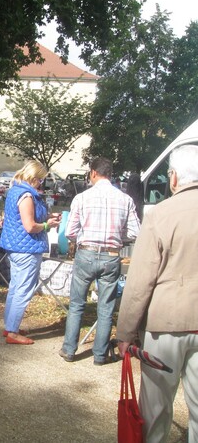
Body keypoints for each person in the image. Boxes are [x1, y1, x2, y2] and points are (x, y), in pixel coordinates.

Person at [116, 145, 198, 442]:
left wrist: (125, 332)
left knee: (155, 407)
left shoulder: (161, 213)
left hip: (166, 323)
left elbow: (140, 281)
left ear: (174, 178)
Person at [59, 157, 140, 364]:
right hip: (111, 256)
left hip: (86, 253)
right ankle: (100, 355)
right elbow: (135, 232)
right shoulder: (125, 199)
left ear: (93, 173)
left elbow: (70, 232)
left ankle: (69, 349)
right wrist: (116, 238)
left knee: (77, 303)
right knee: (106, 307)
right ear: (110, 174)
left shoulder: (82, 198)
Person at [0, 161, 61, 343]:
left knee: (15, 287)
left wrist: (48, 216)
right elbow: (30, 226)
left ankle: (10, 326)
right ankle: (12, 332)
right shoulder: (26, 195)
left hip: (16, 248)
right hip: (27, 248)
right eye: (40, 180)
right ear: (34, 178)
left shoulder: (15, 190)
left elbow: (26, 218)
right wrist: (48, 225)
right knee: (23, 290)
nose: (41, 184)